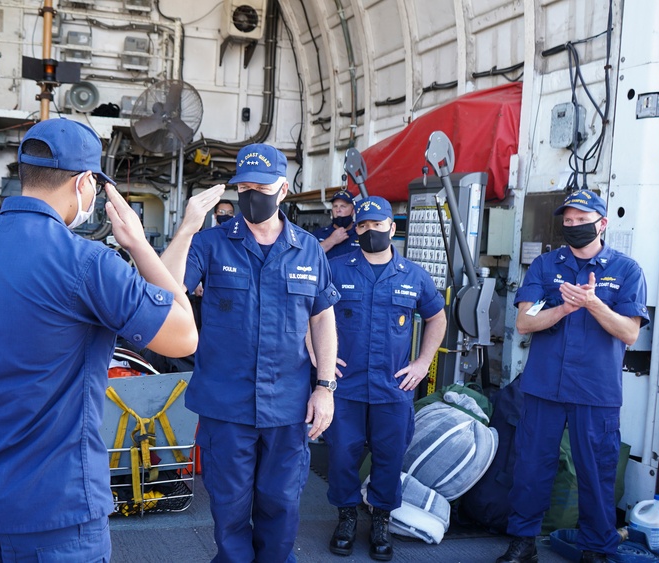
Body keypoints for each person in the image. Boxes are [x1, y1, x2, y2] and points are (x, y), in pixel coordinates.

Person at [0, 118, 197, 562]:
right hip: (56, 509)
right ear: (86, 183)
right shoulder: (89, 263)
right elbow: (184, 337)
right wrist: (139, 245)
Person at [160, 143, 340, 563]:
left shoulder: (308, 249)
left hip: (287, 404)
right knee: (230, 509)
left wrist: (326, 387)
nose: (250, 196)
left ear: (282, 188)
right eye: (243, 187)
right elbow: (163, 294)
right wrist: (187, 227)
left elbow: (323, 320)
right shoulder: (210, 243)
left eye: (260, 186)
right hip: (227, 407)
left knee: (282, 505)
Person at [496, 189, 649, 563]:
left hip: (595, 392)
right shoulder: (547, 266)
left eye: (583, 220)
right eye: (569, 221)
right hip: (544, 386)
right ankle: (523, 542)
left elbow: (630, 333)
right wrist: (565, 307)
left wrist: (594, 304)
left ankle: (596, 548)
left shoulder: (627, 270)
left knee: (596, 474)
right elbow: (523, 322)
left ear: (603, 224)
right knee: (531, 467)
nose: (575, 226)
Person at [323, 196, 447, 560]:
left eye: (377, 225)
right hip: (345, 386)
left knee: (390, 457)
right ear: (355, 230)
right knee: (342, 455)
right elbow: (309, 313)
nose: (370, 231)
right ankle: (346, 517)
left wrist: (424, 362)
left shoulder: (414, 275)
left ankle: (380, 518)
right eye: (362, 226)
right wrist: (318, 357)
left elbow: (437, 318)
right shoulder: (336, 268)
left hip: (393, 387)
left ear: (393, 229)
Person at [312, 190, 359, 258]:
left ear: (353, 211)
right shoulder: (319, 234)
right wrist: (331, 240)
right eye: (335, 206)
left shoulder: (360, 234)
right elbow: (307, 257)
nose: (338, 210)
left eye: (343, 206)